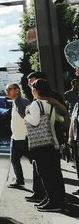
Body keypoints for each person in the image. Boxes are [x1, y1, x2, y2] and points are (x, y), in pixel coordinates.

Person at [25, 72, 68, 203]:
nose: (30, 86)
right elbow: (60, 118)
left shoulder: (45, 99)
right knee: (50, 171)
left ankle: (52, 198)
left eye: (32, 84)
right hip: (52, 139)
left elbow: (35, 120)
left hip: (44, 140)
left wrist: (27, 115)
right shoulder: (45, 101)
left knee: (46, 171)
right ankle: (48, 196)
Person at [5, 83, 31, 188]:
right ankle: (19, 180)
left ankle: (42, 185)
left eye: (8, 89)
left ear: (17, 90)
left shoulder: (23, 102)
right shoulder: (14, 102)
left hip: (24, 137)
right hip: (15, 137)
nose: (6, 91)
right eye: (6, 89)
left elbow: (30, 119)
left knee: (34, 161)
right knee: (14, 160)